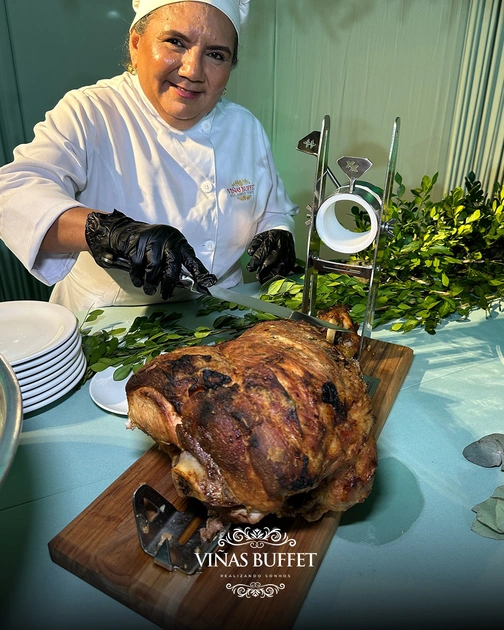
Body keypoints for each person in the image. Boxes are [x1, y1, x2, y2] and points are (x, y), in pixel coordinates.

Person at [0, 0, 298, 313]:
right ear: (135, 44)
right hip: (111, 317)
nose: (192, 71)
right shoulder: (90, 112)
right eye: (176, 42)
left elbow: (272, 209)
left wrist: (278, 232)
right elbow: (13, 194)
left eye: (216, 55)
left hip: (224, 311)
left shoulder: (244, 126)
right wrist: (109, 232)